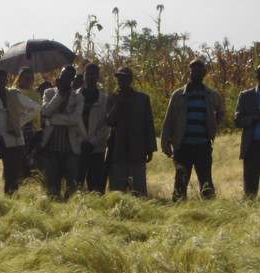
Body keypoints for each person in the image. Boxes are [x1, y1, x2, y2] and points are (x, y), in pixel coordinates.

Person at [161, 59, 224, 201]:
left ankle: (211, 211)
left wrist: (212, 125)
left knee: (206, 182)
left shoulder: (211, 95)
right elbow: (169, 120)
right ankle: (178, 211)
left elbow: (221, 113)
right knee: (180, 182)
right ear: (189, 73)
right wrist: (165, 144)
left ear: (204, 73)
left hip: (203, 146)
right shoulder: (178, 95)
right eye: (192, 71)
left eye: (198, 71)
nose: (194, 73)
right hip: (182, 147)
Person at [105, 67, 157, 196]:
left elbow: (149, 125)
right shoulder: (112, 99)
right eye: (119, 78)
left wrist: (150, 148)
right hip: (117, 151)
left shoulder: (143, 99)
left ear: (130, 80)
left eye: (124, 78)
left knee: (138, 191)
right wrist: (118, 104)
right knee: (117, 193)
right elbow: (109, 121)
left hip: (137, 151)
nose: (121, 81)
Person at [41, 66, 84, 200]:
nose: (65, 80)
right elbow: (46, 112)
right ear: (59, 76)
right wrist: (59, 94)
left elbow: (75, 119)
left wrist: (53, 119)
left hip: (70, 148)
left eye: (69, 78)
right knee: (52, 186)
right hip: (52, 147)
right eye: (63, 77)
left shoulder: (78, 97)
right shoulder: (49, 93)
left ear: (72, 80)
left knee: (71, 186)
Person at [77, 63, 110, 194]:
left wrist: (92, 142)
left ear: (98, 77)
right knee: (76, 185)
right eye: (88, 74)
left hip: (97, 149)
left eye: (93, 74)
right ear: (83, 77)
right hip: (78, 148)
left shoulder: (105, 100)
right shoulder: (75, 97)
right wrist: (81, 142)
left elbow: (107, 125)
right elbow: (71, 123)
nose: (90, 77)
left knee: (95, 187)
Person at [234, 66, 260, 198]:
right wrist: (254, 119)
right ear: (257, 77)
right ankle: (249, 213)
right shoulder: (246, 96)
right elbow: (238, 120)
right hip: (252, 146)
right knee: (250, 187)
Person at [14, 67, 44, 179]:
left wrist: (38, 131)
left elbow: (37, 114)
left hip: (30, 131)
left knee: (28, 160)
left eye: (31, 78)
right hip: (15, 129)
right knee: (15, 158)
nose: (29, 81)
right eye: (26, 78)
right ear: (20, 78)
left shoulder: (36, 95)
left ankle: (27, 186)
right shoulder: (13, 92)